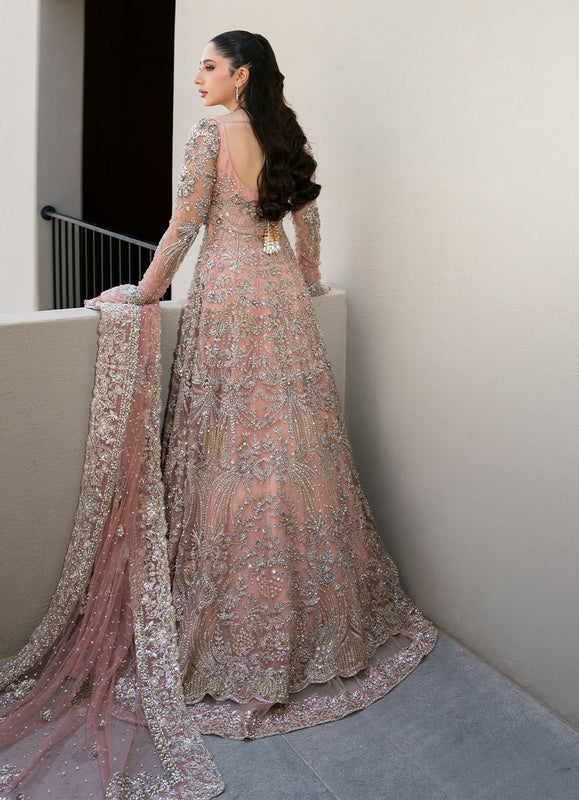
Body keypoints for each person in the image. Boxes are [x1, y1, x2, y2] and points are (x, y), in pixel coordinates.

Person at [0, 30, 436, 798]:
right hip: (280, 303)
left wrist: (141, 295)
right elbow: (308, 223)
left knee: (228, 453)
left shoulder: (211, 134)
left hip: (229, 301)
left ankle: (243, 640)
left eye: (208, 66)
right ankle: (316, 629)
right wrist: (308, 278)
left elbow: (183, 228)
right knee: (292, 452)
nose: (196, 77)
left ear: (241, 75)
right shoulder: (279, 132)